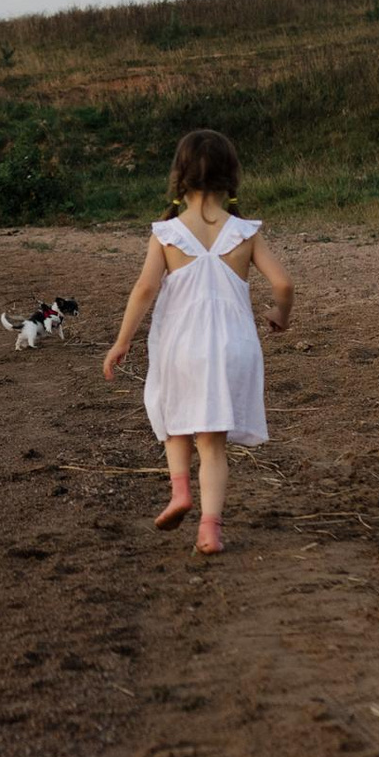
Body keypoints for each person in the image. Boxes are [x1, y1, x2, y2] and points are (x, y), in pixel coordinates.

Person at [100, 129, 292, 554]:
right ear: (230, 176)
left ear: (179, 176)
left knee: (175, 422)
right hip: (234, 346)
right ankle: (210, 528)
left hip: (182, 346)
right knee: (212, 444)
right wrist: (281, 315)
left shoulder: (168, 232)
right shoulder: (244, 232)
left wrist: (122, 341)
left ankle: (180, 491)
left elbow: (145, 290)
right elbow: (282, 283)